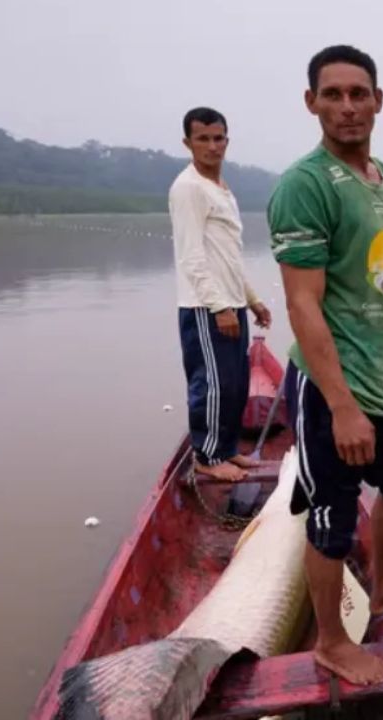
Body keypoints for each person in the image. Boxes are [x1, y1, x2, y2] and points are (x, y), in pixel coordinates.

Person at [267, 45, 383, 687]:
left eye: (359, 93)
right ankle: (329, 643)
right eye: (333, 94)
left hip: (382, 383)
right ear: (311, 102)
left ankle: (379, 585)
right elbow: (302, 303)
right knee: (330, 519)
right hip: (331, 389)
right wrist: (342, 405)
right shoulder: (306, 186)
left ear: (379, 100)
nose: (347, 106)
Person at [170, 106, 272, 483]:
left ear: (227, 140)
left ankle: (227, 448)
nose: (213, 146)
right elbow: (192, 257)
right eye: (203, 139)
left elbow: (229, 256)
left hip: (230, 304)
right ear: (188, 143)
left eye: (219, 138)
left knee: (236, 382)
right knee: (212, 384)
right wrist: (218, 308)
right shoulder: (188, 188)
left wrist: (252, 300)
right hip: (204, 307)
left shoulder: (221, 189)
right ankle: (207, 456)